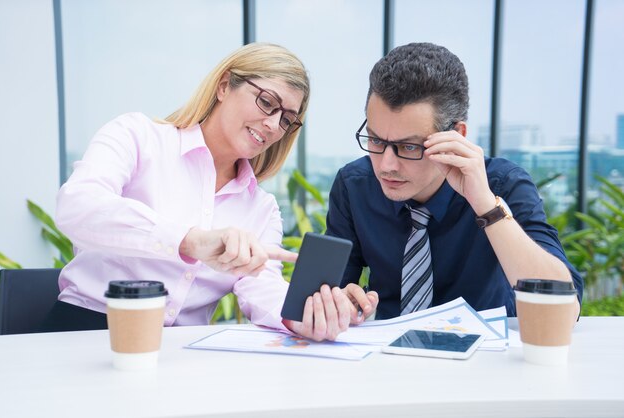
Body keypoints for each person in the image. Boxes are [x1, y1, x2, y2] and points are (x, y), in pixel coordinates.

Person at [43, 43, 351, 341]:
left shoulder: (262, 208)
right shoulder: (137, 137)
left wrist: (307, 315)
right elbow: (78, 206)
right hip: (84, 332)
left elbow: (261, 285)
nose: (273, 125)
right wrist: (190, 241)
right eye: (267, 102)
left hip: (180, 351)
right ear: (224, 85)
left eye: (286, 119)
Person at [329, 42, 583, 321]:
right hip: (390, 355)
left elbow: (564, 308)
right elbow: (326, 292)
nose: (386, 165)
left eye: (409, 147)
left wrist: (486, 206)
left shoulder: (503, 185)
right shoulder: (354, 186)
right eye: (376, 140)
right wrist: (340, 299)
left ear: (456, 135)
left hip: (489, 357)